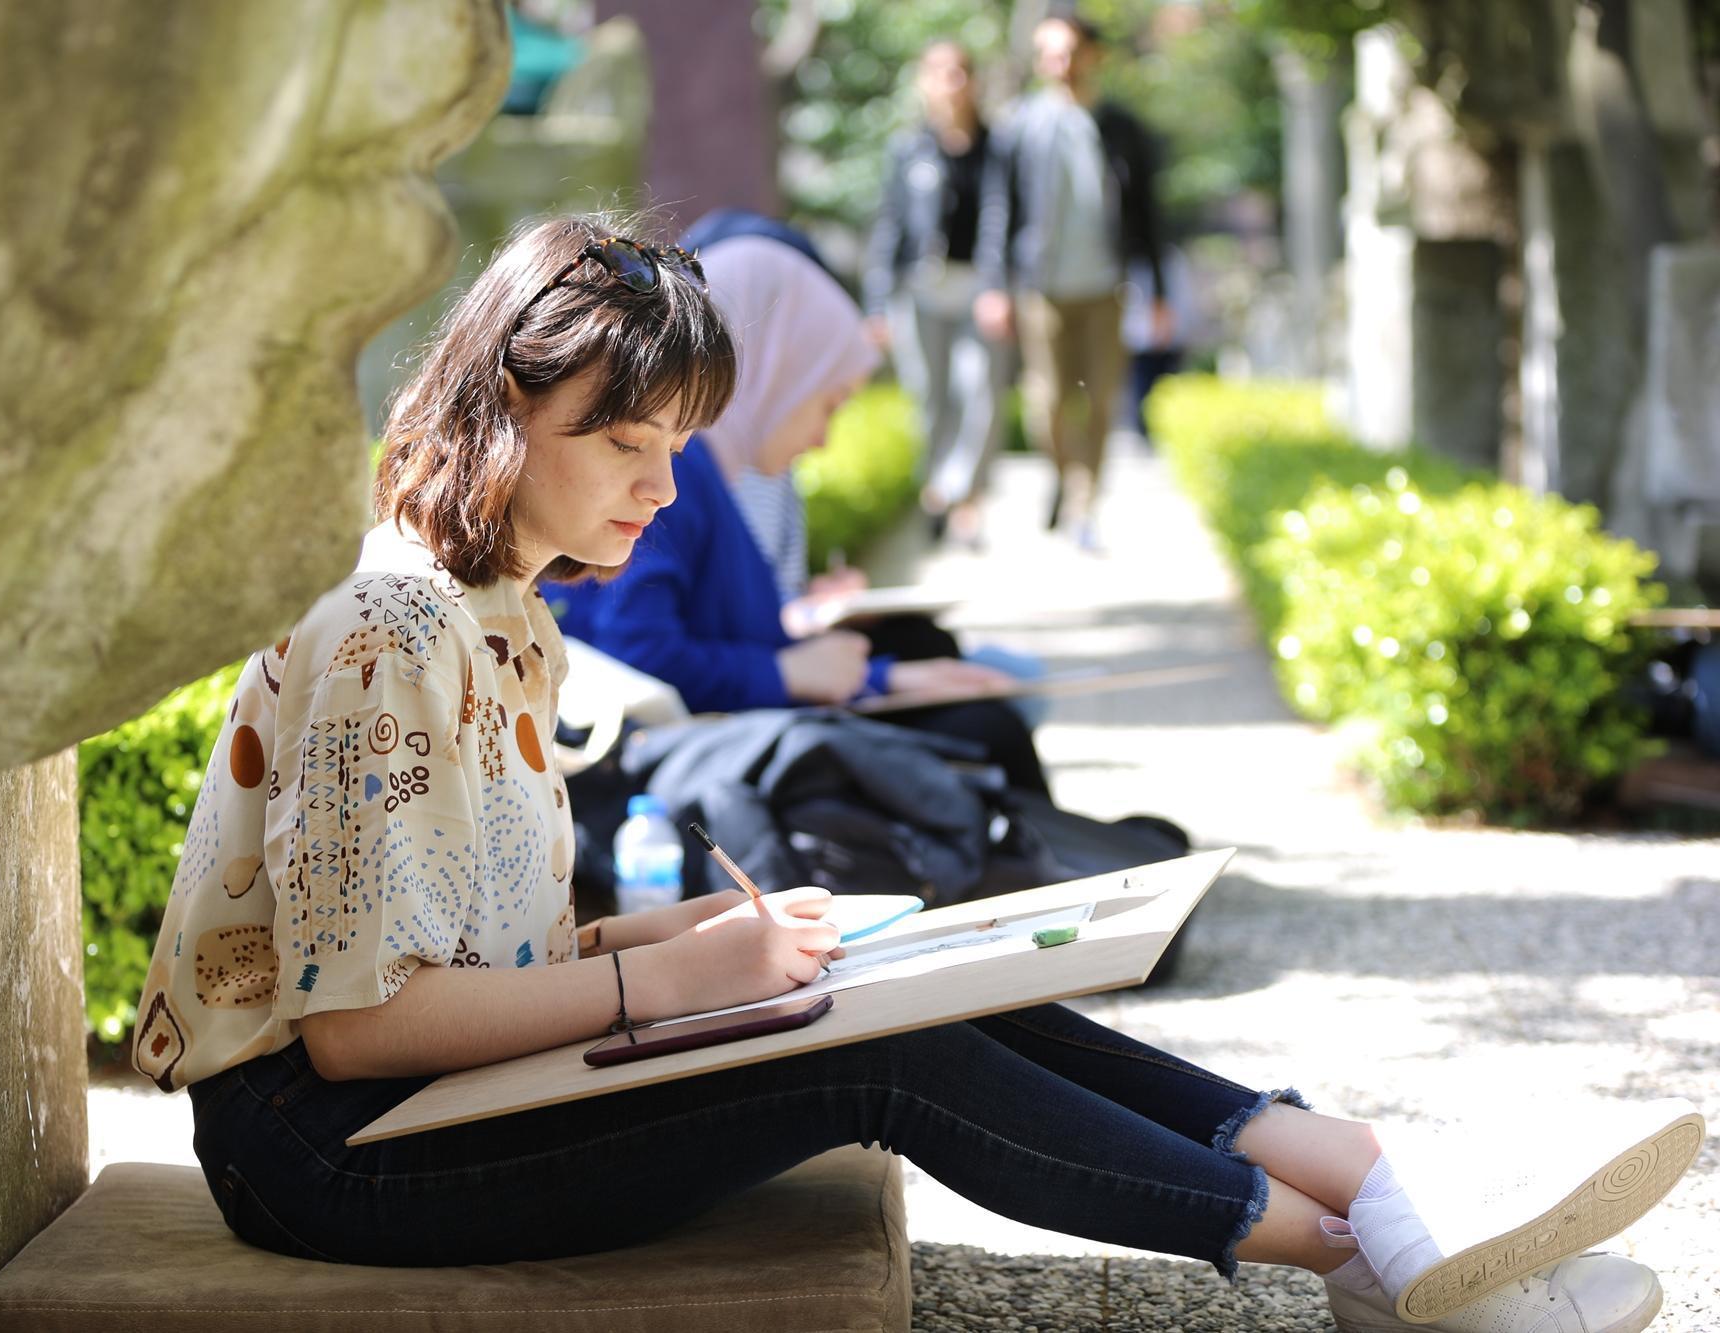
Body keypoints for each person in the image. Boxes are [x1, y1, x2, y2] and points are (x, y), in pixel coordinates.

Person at [133, 214, 1693, 1333]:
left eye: (677, 446)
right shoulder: (395, 625)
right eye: (629, 446)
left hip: (417, 1105)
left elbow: (484, 955)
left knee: (905, 975)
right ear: (514, 403)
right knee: (875, 1060)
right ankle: (1373, 1260)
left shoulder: (496, 612)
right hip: (331, 1158)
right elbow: (357, 1030)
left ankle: (1348, 1169)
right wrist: (665, 984)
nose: (663, 489)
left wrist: (686, 939)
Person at [551, 232, 1045, 795]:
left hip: (713, 739)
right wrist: (813, 673)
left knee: (951, 678)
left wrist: (880, 676)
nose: (824, 438)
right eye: (828, 403)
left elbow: (726, 632)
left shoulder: (705, 467)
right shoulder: (681, 475)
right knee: (984, 724)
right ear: (781, 367)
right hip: (677, 763)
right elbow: (635, 653)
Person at [975, 13, 1169, 549]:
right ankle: (1064, 474)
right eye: (1047, 53)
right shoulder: (1020, 125)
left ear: (1092, 55)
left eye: (1067, 52)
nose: (1057, 64)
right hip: (1042, 288)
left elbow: (1148, 213)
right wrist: (994, 285)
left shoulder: (1122, 127)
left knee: (1102, 399)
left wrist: (1159, 291)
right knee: (1049, 402)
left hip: (1108, 286)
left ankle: (1085, 501)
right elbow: (999, 209)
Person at [863, 40, 1011, 548]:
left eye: (960, 72)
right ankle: (936, 488)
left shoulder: (996, 149)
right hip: (920, 286)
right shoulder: (908, 148)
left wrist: (996, 287)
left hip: (977, 286)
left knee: (980, 390)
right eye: (940, 72)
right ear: (924, 82)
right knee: (929, 394)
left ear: (974, 80)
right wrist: (877, 303)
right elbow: (889, 226)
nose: (951, 83)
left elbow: (1000, 221)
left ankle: (967, 496)